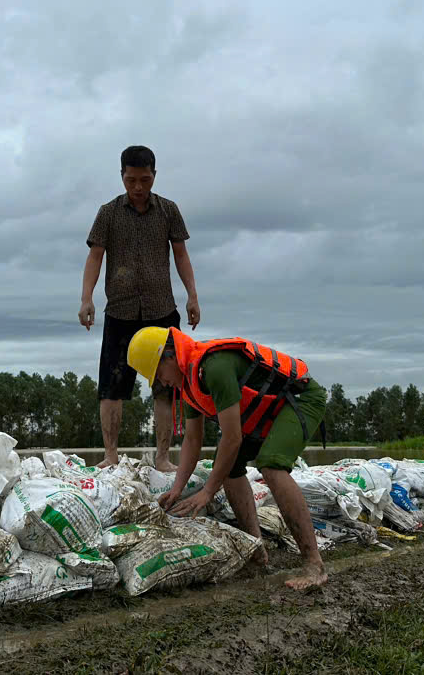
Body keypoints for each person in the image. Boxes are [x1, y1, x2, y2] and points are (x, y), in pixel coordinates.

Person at [126, 326, 329, 591]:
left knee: (271, 464)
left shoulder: (214, 367)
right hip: (267, 411)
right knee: (230, 466)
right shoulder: (189, 383)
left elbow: (232, 438)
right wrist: (176, 489)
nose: (162, 383)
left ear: (169, 355)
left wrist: (208, 491)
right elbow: (192, 440)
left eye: (158, 374)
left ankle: (315, 565)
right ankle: (255, 551)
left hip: (299, 400)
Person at [79, 145, 200, 470]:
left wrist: (192, 295)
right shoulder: (108, 212)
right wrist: (86, 298)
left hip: (162, 311)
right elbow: (95, 256)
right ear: (122, 177)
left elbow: (181, 255)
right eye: (131, 180)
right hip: (120, 311)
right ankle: (111, 456)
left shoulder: (168, 210)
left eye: (144, 180)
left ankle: (162, 458)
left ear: (154, 177)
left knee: (166, 388)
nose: (138, 188)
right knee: (111, 386)